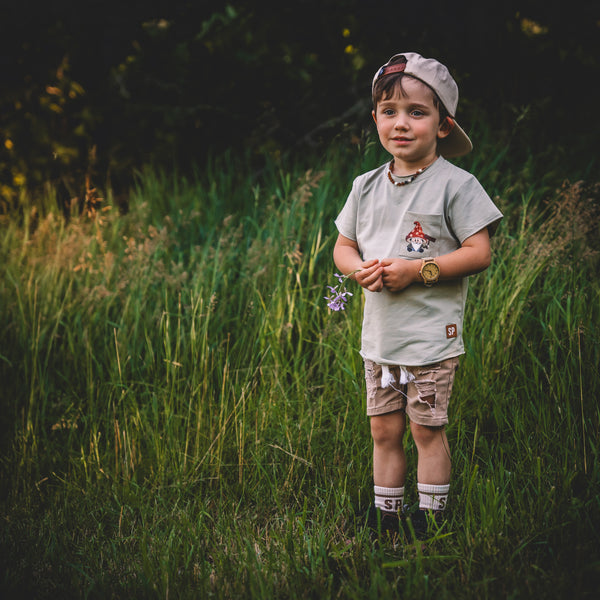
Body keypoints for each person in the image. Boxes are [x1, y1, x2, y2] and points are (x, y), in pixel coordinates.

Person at [333, 52, 503, 541]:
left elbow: (479, 252)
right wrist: (360, 269)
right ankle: (387, 518)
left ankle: (432, 521)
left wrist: (418, 270)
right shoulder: (365, 188)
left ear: (443, 125)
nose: (400, 124)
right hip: (381, 341)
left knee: (426, 430)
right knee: (384, 432)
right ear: (375, 120)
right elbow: (344, 248)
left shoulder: (456, 185)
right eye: (389, 112)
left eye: (416, 112)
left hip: (429, 338)